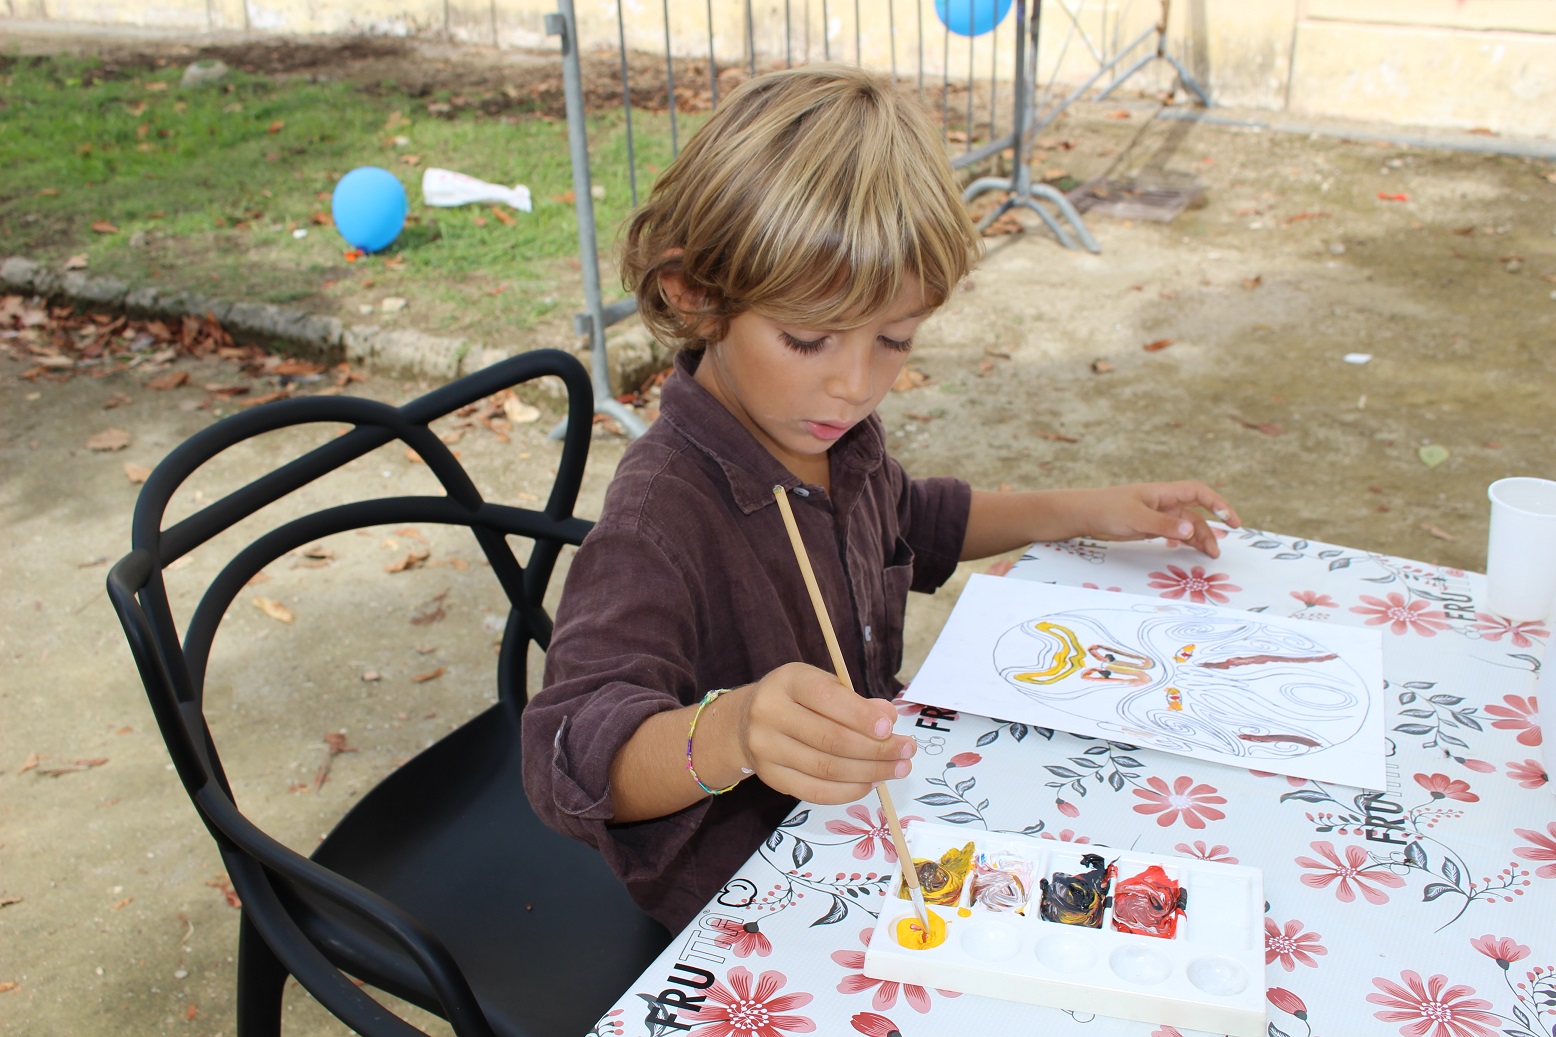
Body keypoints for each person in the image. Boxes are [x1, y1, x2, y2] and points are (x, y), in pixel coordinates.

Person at [520, 65, 1239, 933]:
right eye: (808, 338)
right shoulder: (658, 518)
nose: (856, 384)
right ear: (696, 296)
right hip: (751, 900)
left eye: (894, 338)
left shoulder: (832, 439)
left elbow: (915, 520)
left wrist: (1089, 509)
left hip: (876, 828)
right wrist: (735, 731)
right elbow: (564, 757)